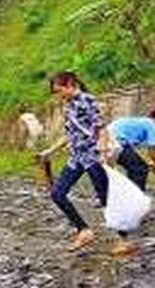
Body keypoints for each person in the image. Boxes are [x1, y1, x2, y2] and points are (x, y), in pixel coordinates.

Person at [39, 71, 110, 253]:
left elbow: (101, 128)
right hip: (76, 158)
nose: (58, 95)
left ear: (70, 83)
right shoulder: (68, 106)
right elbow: (69, 135)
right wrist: (50, 151)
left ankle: (124, 238)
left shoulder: (88, 100)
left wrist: (102, 151)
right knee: (57, 193)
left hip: (93, 157)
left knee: (105, 199)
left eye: (59, 90)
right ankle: (83, 230)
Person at [103, 107, 155, 204]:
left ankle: (107, 198)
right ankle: (135, 202)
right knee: (140, 170)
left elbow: (137, 152)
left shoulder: (139, 124)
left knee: (135, 168)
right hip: (115, 142)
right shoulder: (151, 124)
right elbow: (153, 153)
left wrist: (151, 163)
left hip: (105, 143)